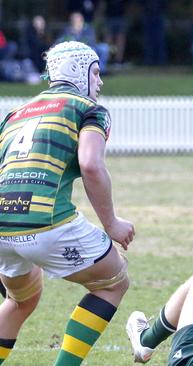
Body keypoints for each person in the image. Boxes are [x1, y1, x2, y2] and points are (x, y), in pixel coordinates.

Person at [0, 41, 134, 365]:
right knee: (113, 282)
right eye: (96, 72)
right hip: (47, 223)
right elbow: (90, 164)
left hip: (2, 227)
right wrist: (112, 224)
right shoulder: (87, 108)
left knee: (22, 299)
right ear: (79, 70)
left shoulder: (14, 115)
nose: (99, 82)